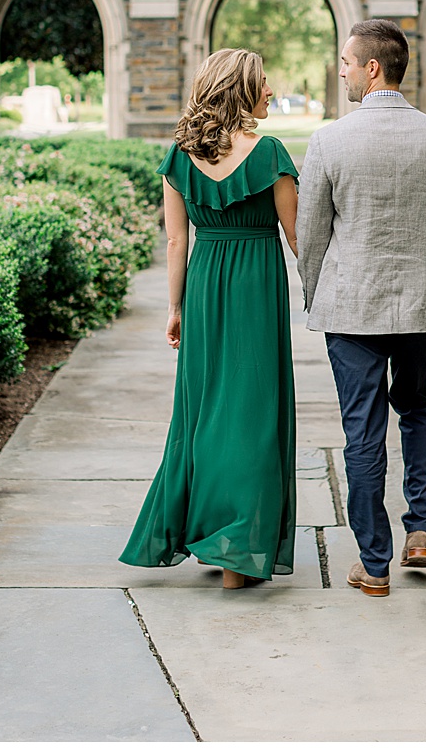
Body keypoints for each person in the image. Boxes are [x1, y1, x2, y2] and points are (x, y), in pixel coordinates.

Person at [296, 18, 426, 598]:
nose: (342, 71)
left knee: (362, 433)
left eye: (347, 63)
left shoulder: (328, 141)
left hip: (351, 309)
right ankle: (422, 529)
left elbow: (311, 237)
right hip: (419, 308)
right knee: (417, 407)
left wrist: (316, 295)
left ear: (372, 68)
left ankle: (374, 563)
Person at [121, 48, 300, 590]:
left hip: (204, 286)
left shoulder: (180, 155)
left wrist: (175, 308)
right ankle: (238, 551)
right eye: (264, 84)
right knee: (252, 411)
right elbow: (299, 240)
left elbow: (177, 241)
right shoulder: (269, 153)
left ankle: (214, 537)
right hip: (256, 288)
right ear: (242, 90)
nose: (271, 91)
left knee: (203, 413)